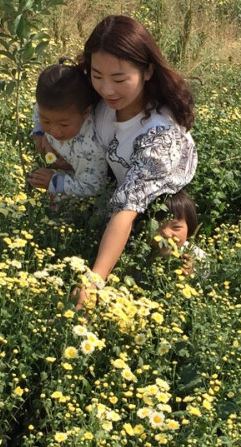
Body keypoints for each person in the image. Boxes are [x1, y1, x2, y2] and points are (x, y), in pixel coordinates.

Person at [77, 16, 197, 297]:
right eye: (97, 76)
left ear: (147, 71)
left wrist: (93, 282)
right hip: (117, 205)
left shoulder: (160, 136)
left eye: (119, 79)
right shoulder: (104, 102)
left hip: (160, 221)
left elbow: (126, 210)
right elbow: (55, 93)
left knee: (161, 277)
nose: (107, 89)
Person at [28, 61, 110, 200]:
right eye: (46, 121)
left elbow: (93, 187)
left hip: (77, 204)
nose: (54, 131)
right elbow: (38, 113)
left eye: (64, 125)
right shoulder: (53, 106)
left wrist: (54, 182)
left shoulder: (90, 148)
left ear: (85, 113)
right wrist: (40, 133)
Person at [153, 190, 206, 275]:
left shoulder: (199, 258)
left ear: (189, 227)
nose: (166, 234)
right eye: (158, 226)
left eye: (176, 227)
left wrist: (189, 276)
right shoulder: (138, 256)